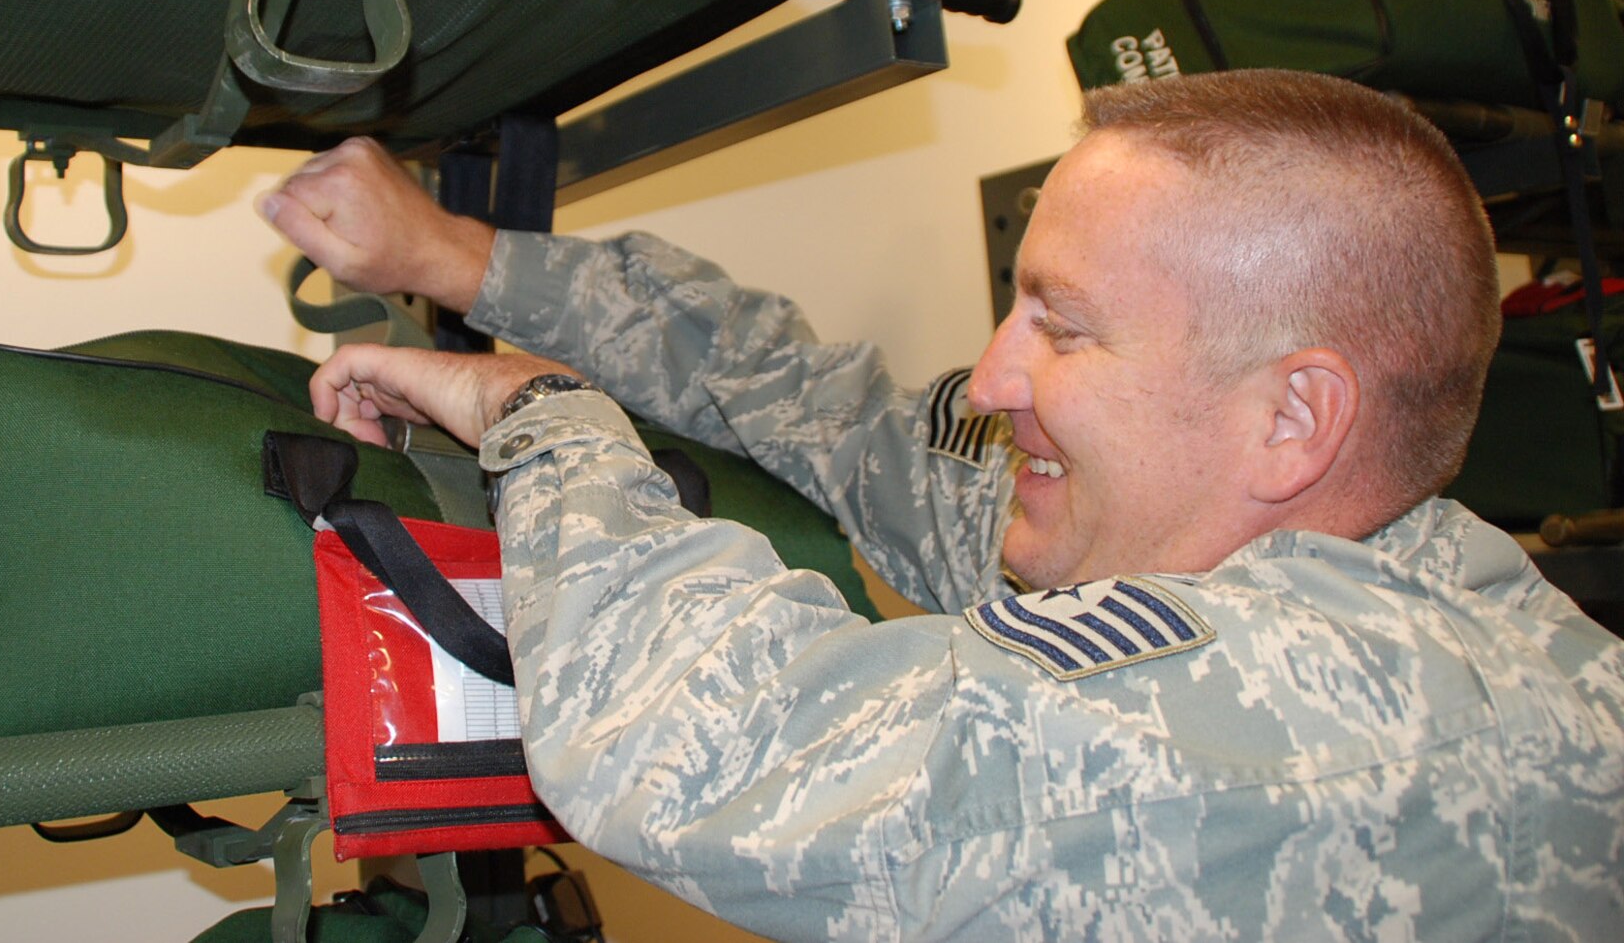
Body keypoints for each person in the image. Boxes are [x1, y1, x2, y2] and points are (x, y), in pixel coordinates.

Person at [257, 69, 1624, 942]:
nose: (993, 373)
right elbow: (831, 412)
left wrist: (542, 420)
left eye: (1066, 331)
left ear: (1292, 419)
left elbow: (694, 743)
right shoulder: (1256, 523)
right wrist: (452, 256)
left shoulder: (1334, 728)